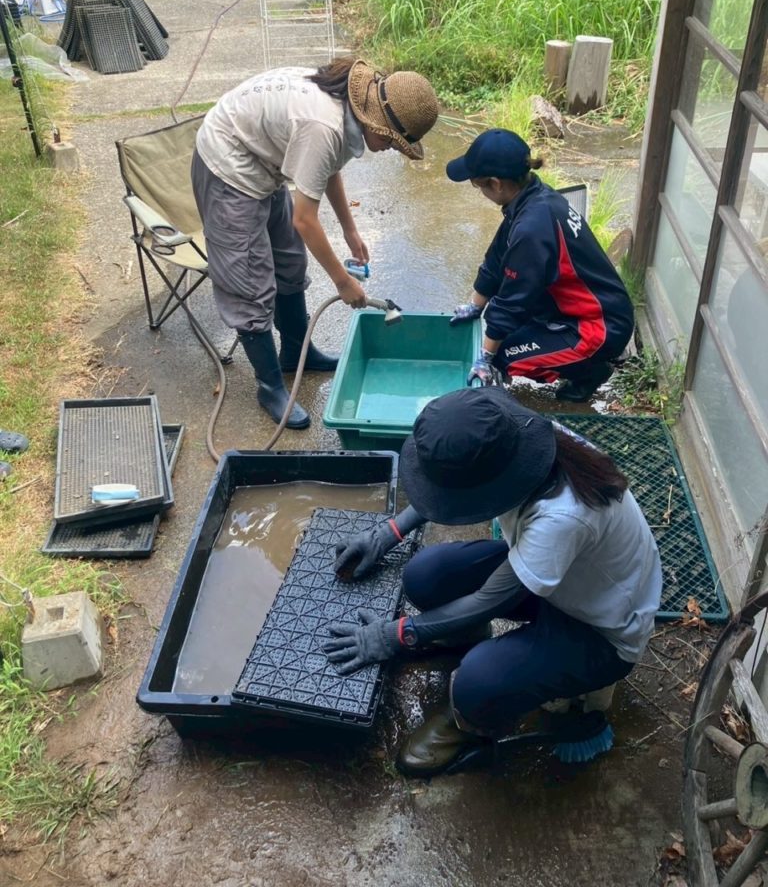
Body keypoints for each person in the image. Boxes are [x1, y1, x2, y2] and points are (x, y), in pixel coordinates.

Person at [324, 388, 661, 776]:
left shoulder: (562, 517)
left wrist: (396, 635)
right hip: (561, 577)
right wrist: (388, 533)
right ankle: (465, 636)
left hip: (601, 628)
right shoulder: (522, 442)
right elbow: (452, 485)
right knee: (426, 575)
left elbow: (491, 599)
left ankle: (467, 722)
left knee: (477, 680)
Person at [191, 57, 439, 429]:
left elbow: (327, 167)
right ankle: (270, 386)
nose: (391, 150)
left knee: (290, 263)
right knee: (250, 284)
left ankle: (295, 353)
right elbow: (304, 219)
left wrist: (350, 229)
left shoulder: (350, 109)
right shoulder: (323, 126)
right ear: (378, 125)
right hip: (229, 166)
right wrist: (342, 282)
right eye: (392, 142)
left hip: (264, 160)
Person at [446, 128, 635, 402]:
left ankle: (590, 371)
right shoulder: (532, 198)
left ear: (496, 184)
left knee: (505, 357)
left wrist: (485, 358)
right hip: (577, 308)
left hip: (599, 326)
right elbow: (497, 258)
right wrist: (475, 306)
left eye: (478, 186)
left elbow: (512, 301)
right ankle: (573, 355)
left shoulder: (532, 228)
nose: (479, 192)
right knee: (501, 329)